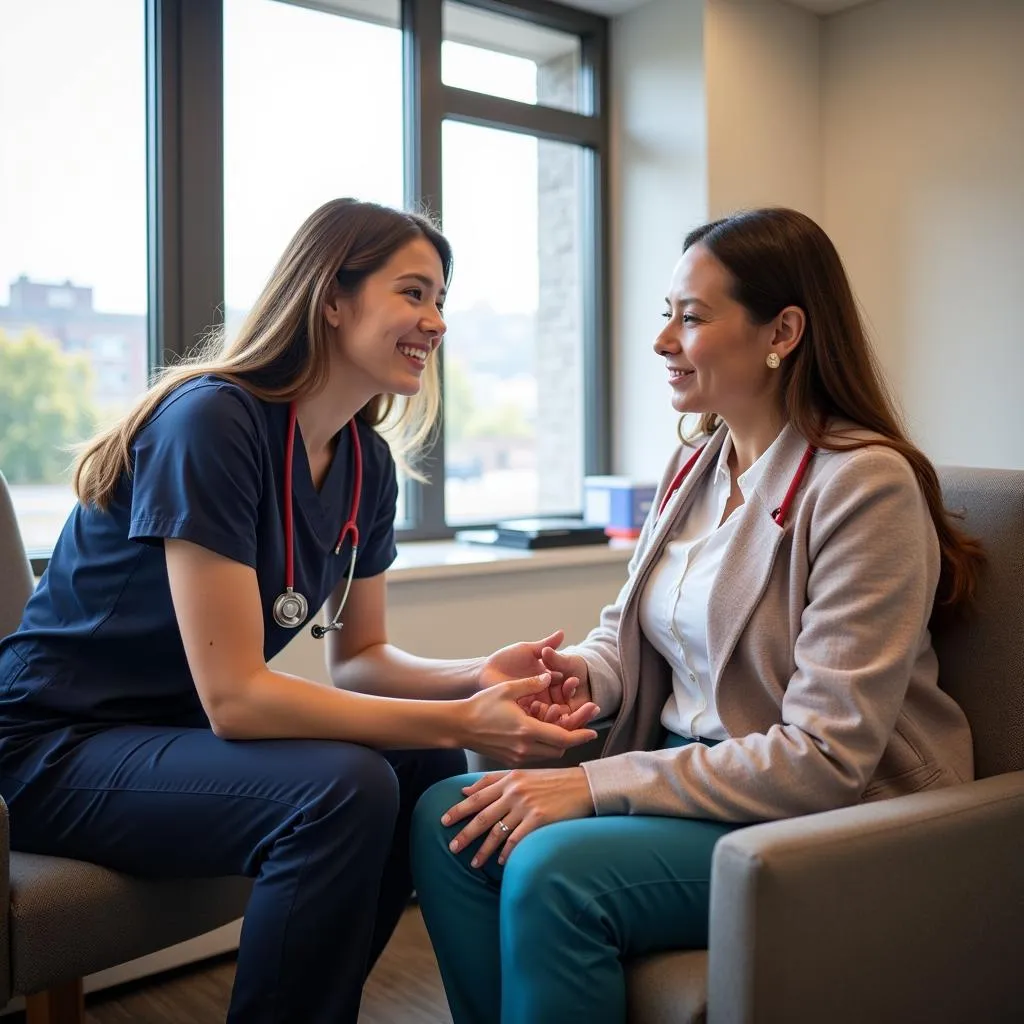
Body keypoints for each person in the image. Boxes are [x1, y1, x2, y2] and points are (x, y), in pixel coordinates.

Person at [0, 199, 599, 1024]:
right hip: (50, 745)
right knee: (344, 786)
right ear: (331, 298)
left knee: (421, 770)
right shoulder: (212, 422)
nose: (437, 322)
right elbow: (238, 699)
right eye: (415, 294)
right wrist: (464, 717)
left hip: (172, 734)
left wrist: (476, 677)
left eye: (442, 301)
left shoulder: (365, 461)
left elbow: (362, 658)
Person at [411, 207, 985, 1024]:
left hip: (828, 808)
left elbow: (825, 755)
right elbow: (629, 631)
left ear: (782, 329)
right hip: (695, 768)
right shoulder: (696, 462)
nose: (663, 341)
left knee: (554, 868)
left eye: (692, 317)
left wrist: (593, 785)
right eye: (665, 316)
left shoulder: (863, 485)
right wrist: (579, 673)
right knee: (446, 819)